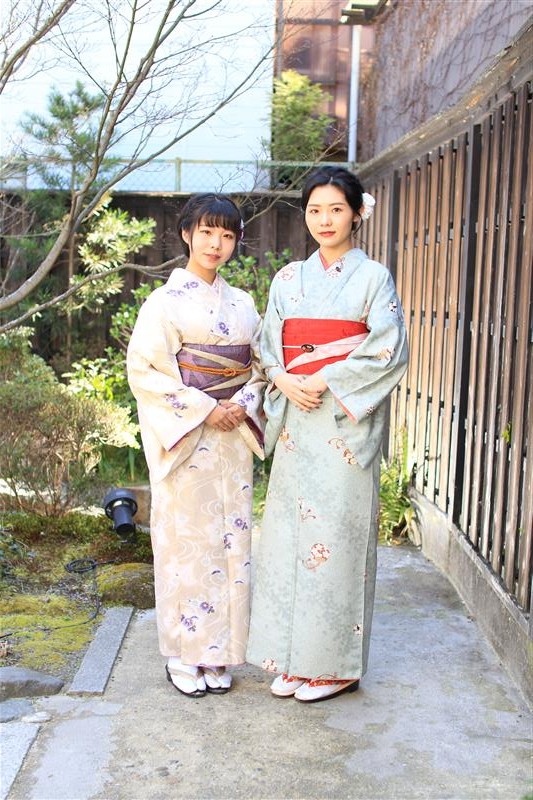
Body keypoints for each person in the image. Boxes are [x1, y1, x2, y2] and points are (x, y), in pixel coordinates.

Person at [246, 166, 408, 703]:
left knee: (336, 540)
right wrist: (282, 378)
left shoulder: (374, 277)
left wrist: (324, 377)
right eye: (315, 210)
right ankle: (293, 658)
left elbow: (387, 347)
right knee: (289, 539)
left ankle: (335, 667)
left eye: (336, 209)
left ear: (357, 214)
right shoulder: (288, 279)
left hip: (341, 420)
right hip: (297, 418)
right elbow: (269, 345)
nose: (325, 219)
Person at [127, 194, 264, 698]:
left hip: (232, 438)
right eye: (206, 232)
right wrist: (208, 408)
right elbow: (145, 371)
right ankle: (184, 654)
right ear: (186, 233)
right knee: (185, 544)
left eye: (227, 235)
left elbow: (261, 367)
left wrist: (243, 402)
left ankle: (221, 652)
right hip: (187, 438)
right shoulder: (163, 304)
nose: (216, 244)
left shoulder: (243, 303)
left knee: (232, 545)